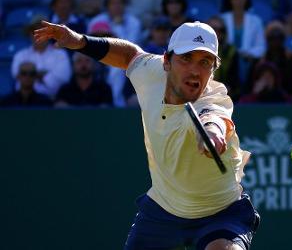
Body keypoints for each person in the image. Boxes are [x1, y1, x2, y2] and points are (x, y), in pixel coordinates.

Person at [34, 20, 260, 250]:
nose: (194, 70)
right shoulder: (151, 73)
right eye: (186, 58)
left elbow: (215, 119)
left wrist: (212, 134)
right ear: (166, 62)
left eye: (205, 62)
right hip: (163, 209)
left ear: (213, 70)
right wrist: (80, 42)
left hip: (220, 212)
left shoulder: (213, 100)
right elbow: (128, 55)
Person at [11, 17, 72, 98]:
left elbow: (63, 78)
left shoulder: (61, 54)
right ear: (30, 34)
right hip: (24, 102)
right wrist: (44, 75)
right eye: (35, 32)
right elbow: (18, 77)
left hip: (53, 102)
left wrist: (32, 75)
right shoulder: (20, 55)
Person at [221, 0, 266, 86]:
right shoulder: (222, 19)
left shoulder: (256, 21)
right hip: (226, 61)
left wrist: (248, 53)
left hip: (248, 61)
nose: (238, 0)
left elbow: (261, 46)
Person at [260, 21, 292, 97]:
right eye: (272, 37)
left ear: (283, 39)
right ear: (267, 39)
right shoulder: (260, 62)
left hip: (286, 101)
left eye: (279, 37)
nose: (275, 41)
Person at [207, 15, 241, 101]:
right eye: (214, 29)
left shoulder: (231, 51)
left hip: (225, 95)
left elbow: (233, 81)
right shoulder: (196, 51)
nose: (218, 33)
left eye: (221, 30)